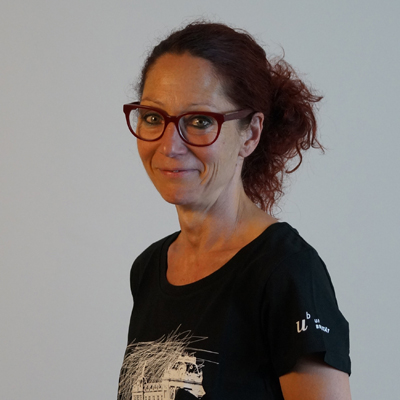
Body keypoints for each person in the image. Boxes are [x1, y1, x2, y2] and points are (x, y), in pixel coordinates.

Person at [118, 21, 351, 400]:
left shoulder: (286, 271)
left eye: (199, 121)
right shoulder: (148, 270)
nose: (169, 145)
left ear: (251, 133)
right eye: (153, 117)